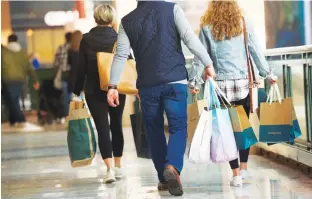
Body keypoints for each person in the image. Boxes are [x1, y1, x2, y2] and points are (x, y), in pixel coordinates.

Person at [107, 1, 215, 196]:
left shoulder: (126, 21)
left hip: (148, 86)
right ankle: (172, 166)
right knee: (178, 127)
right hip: (175, 80)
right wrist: (208, 63)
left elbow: (121, 54)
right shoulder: (172, 9)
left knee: (154, 131)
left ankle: (164, 179)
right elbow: (189, 39)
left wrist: (112, 86)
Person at [189, 0, 277, 187]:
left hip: (220, 86)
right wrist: (267, 73)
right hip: (242, 83)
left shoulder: (207, 24)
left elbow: (200, 55)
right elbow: (254, 49)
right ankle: (244, 169)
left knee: (225, 131)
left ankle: (235, 173)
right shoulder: (242, 20)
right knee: (242, 127)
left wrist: (195, 81)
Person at [73, 4, 127, 184]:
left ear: (95, 18)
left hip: (94, 90)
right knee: (116, 125)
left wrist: (76, 91)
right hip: (116, 88)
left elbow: (81, 68)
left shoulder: (86, 39)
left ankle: (110, 169)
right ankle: (118, 166)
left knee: (102, 128)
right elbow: (129, 62)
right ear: (111, 18)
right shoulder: (119, 37)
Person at [1, 34, 40, 128]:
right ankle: (13, 120)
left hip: (8, 79)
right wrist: (35, 80)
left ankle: (21, 119)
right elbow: (29, 67)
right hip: (20, 80)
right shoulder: (22, 52)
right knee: (12, 99)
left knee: (12, 100)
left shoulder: (3, 52)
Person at [53, 32, 72, 117]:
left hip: (64, 75)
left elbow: (56, 63)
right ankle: (76, 115)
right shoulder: (77, 47)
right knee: (75, 96)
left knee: (65, 96)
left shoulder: (61, 48)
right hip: (75, 75)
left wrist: (55, 74)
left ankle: (67, 115)